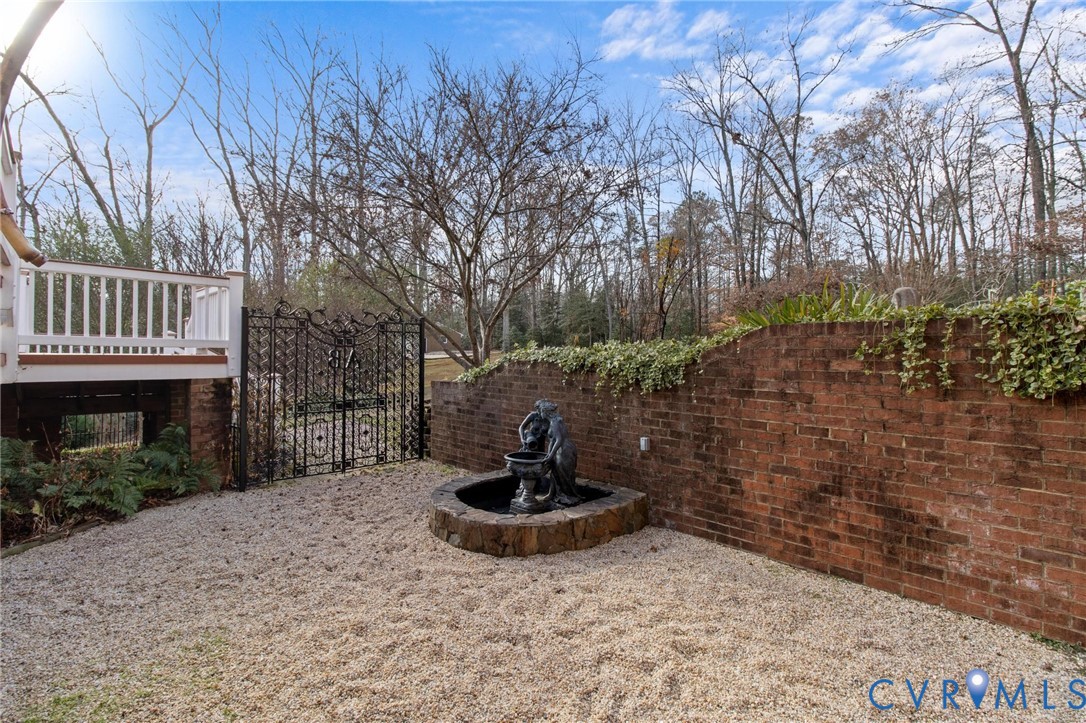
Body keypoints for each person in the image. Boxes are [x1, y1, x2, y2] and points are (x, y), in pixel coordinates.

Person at [535, 400, 581, 506]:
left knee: (564, 474)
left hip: (564, 450)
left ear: (545, 411)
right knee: (555, 471)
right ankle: (552, 493)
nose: (539, 413)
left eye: (540, 410)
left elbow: (559, 440)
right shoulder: (554, 421)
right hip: (559, 450)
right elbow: (552, 440)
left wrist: (551, 455)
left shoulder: (555, 423)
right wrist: (549, 454)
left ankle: (568, 495)